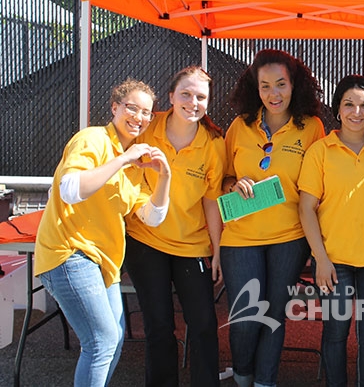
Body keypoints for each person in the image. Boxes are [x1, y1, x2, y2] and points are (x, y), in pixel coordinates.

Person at [34, 79, 171, 387]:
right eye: (131, 108)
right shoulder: (92, 140)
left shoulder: (137, 166)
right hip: (69, 253)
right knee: (102, 342)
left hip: (103, 263)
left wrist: (165, 177)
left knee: (113, 340)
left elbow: (152, 216)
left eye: (145, 112)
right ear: (114, 108)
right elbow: (69, 190)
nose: (138, 117)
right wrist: (121, 159)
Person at [220, 49, 325, 387]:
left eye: (281, 84)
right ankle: (243, 377)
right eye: (265, 86)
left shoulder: (312, 128)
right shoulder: (239, 125)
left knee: (274, 314)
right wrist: (235, 184)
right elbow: (222, 178)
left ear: (295, 85)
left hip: (289, 237)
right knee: (246, 317)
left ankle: (266, 382)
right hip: (240, 237)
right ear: (256, 89)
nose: (274, 94)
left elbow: (319, 184)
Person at [298, 75, 364, 387]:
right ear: (338, 108)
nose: (356, 112)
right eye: (349, 104)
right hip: (334, 261)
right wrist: (320, 259)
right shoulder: (321, 151)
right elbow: (306, 207)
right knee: (335, 333)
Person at [123, 67, 226, 387]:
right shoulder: (147, 127)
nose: (192, 102)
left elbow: (212, 201)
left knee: (204, 325)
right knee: (158, 326)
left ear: (208, 102)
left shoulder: (213, 143)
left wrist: (218, 251)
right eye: (186, 94)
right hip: (145, 241)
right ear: (170, 96)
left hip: (191, 245)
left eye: (200, 97)